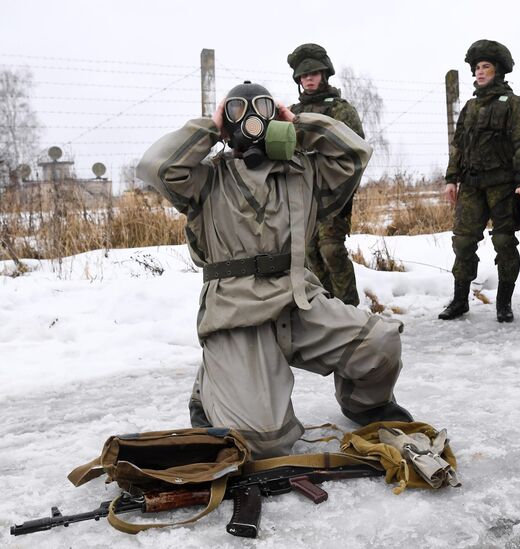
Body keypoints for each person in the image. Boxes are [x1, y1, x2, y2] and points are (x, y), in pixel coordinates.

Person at [136, 81, 412, 456]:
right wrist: (210, 127)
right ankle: (210, 388)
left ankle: (365, 404)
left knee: (380, 343)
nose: (251, 121)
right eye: (237, 113)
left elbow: (354, 154)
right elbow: (156, 166)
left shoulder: (304, 172)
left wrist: (299, 124)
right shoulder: (206, 179)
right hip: (237, 310)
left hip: (298, 299)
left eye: (263, 110)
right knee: (265, 442)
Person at [441, 39, 520, 323]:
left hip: (503, 185)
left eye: (486, 67)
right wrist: (451, 178)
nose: (480, 72)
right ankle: (459, 300)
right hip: (471, 184)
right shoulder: (469, 107)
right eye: (477, 67)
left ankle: (503, 303)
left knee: (505, 241)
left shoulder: (514, 105)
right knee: (463, 241)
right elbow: (458, 145)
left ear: (499, 71)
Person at [287, 43, 365, 307]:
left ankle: (350, 310)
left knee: (331, 249)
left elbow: (356, 152)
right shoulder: (292, 114)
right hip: (303, 194)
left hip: (334, 193)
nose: (308, 79)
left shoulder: (341, 109)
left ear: (325, 74)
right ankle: (328, 309)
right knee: (310, 253)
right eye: (303, 75)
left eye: (314, 73)